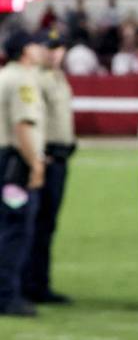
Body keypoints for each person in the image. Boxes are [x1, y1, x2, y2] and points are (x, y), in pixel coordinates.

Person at [21, 30, 76, 304]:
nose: (56, 53)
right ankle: (29, 284)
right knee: (35, 224)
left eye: (60, 47)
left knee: (46, 225)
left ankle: (39, 283)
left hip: (60, 158)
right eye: (50, 47)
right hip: (46, 159)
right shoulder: (36, 79)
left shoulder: (57, 77)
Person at [0, 30, 47, 316]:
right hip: (15, 164)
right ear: (26, 51)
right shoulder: (22, 81)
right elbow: (23, 125)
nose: (42, 49)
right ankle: (6, 295)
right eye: (36, 45)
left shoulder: (5, 75)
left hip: (4, 159)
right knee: (16, 229)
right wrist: (36, 164)